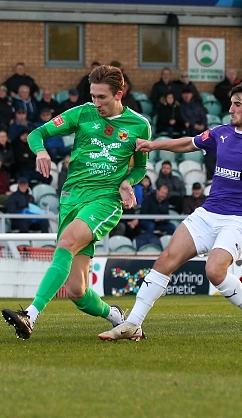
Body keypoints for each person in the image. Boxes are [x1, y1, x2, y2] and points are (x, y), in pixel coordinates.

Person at [1, 64, 151, 340]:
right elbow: (37, 134)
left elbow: (141, 166)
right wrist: (40, 152)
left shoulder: (139, 125)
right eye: (93, 96)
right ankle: (119, 317)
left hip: (104, 200)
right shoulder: (82, 113)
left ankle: (30, 315)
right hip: (72, 199)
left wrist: (129, 181)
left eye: (102, 97)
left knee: (66, 242)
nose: (96, 103)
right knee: (77, 291)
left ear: (120, 93)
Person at [99, 84, 242, 341]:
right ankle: (132, 324)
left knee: (214, 271)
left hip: (237, 219)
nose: (230, 109)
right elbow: (189, 143)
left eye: (238, 104)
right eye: (231, 103)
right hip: (208, 213)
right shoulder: (222, 134)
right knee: (165, 260)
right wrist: (155, 145)